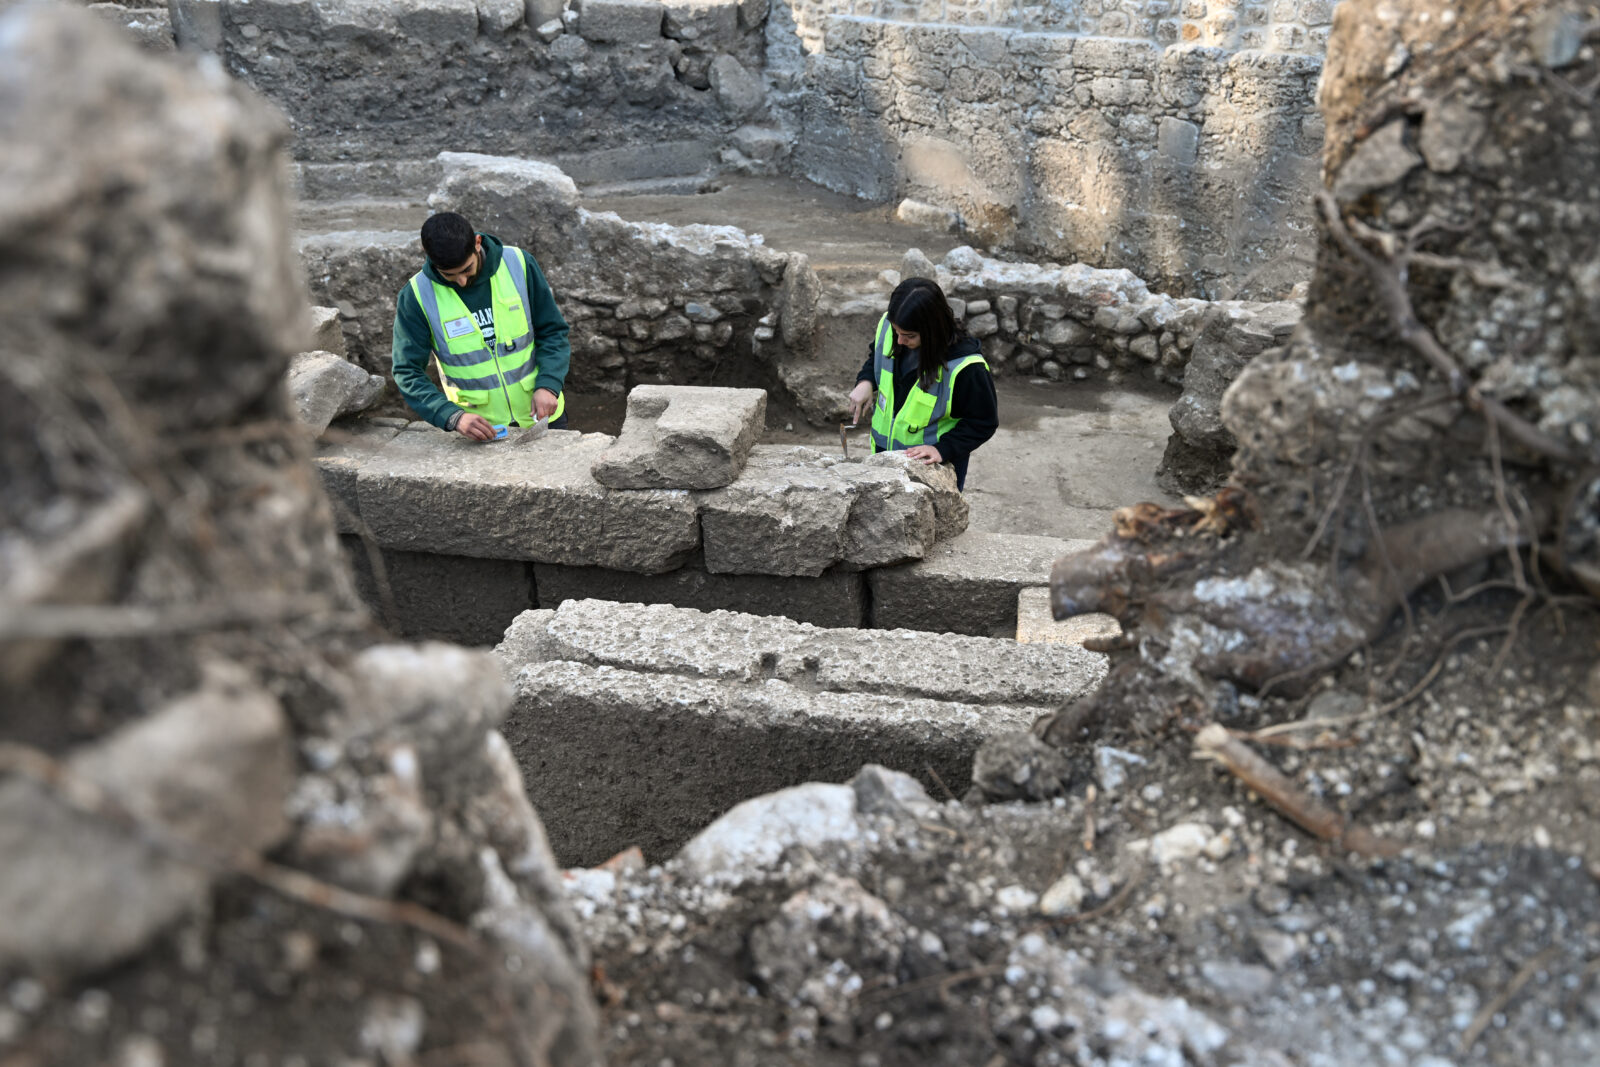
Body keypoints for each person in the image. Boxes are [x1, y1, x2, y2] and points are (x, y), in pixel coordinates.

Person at [391, 212, 571, 440]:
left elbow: (553, 331)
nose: (462, 282)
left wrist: (549, 384)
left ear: (477, 243)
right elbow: (407, 371)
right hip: (481, 431)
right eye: (449, 275)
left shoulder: (518, 263)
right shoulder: (417, 296)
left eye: (466, 269)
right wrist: (452, 416)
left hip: (544, 417)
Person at [846, 277, 998, 490]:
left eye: (909, 336)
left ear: (932, 329)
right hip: (883, 457)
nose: (899, 340)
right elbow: (877, 356)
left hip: (931, 471)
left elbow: (983, 421)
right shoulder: (892, 325)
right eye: (896, 332)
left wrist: (943, 449)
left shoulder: (966, 367)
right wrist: (866, 381)